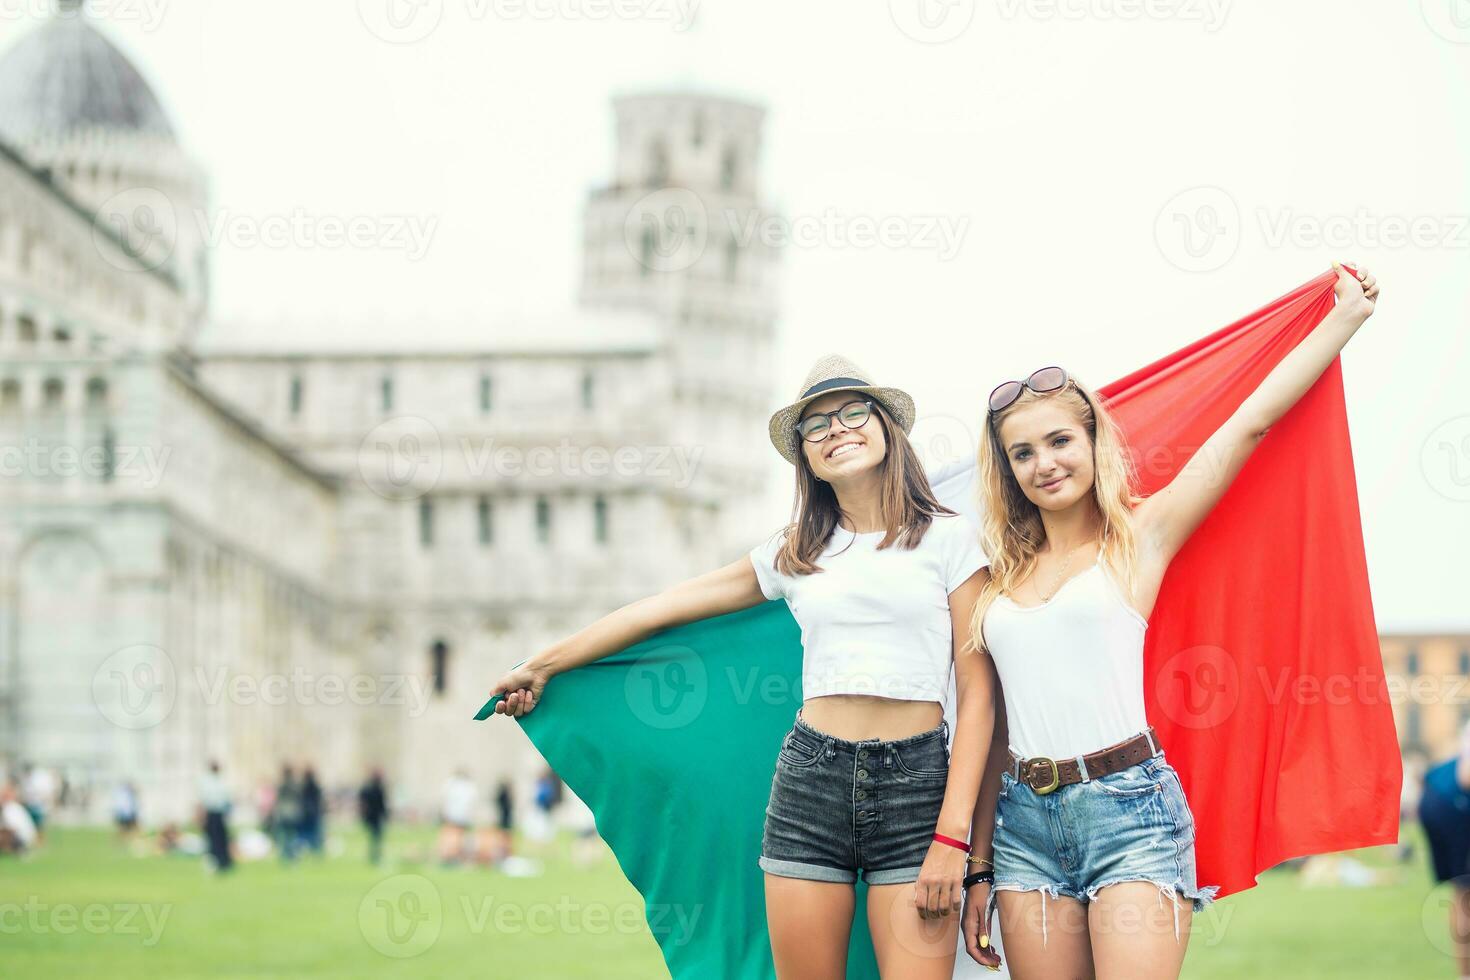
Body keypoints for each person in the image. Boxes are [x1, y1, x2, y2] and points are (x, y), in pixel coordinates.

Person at [490, 353, 994, 977]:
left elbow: (978, 694)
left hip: (918, 786)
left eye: (853, 412)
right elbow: (666, 607)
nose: (836, 429)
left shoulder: (951, 540)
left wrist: (954, 838)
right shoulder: (796, 552)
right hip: (813, 781)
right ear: (806, 458)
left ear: (887, 427)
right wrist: (545, 662)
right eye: (816, 426)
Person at [960, 262, 1379, 977]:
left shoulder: (1139, 540)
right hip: (1023, 826)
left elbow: (1247, 427)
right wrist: (977, 866)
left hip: (1130, 814)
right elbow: (991, 727)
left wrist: (1343, 321)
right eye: (1022, 453)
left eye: (1060, 441)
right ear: (1007, 472)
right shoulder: (991, 582)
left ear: (1093, 441)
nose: (1045, 464)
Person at [1420, 716, 1470, 979]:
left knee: (1462, 893)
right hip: (1451, 804)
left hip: (1439, 798)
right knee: (1463, 892)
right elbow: (1467, 775)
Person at [198, 760, 233, 873]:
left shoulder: (216, 782)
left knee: (219, 839)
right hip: (213, 813)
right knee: (213, 839)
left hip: (217, 813)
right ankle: (216, 862)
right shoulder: (210, 782)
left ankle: (222, 862)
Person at [439, 768, 476, 865]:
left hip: (456, 816)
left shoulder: (452, 784)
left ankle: (453, 857)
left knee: (456, 838)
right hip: (459, 816)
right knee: (458, 838)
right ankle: (455, 857)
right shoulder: (467, 786)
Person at [272, 765, 303, 864]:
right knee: (292, 836)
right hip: (292, 814)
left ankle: (286, 855)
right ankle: (292, 855)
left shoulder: (282, 786)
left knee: (285, 836)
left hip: (284, 814)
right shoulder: (294, 785)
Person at [358, 768, 389, 865]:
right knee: (376, 837)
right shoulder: (376, 788)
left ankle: (375, 855)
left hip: (372, 817)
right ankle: (375, 855)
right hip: (374, 817)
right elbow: (381, 804)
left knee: (375, 837)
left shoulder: (369, 788)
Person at [298, 767, 324, 857]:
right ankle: (315, 851)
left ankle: (306, 850)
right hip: (313, 813)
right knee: (313, 833)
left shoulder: (302, 786)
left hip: (305, 813)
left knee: (305, 833)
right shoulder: (315, 786)